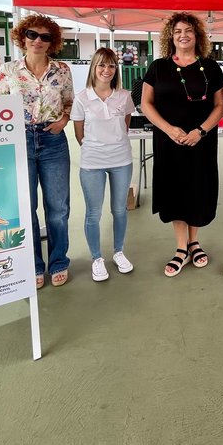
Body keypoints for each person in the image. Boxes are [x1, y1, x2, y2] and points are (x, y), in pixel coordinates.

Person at [141, 13, 223, 277]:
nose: (183, 35)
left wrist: (200, 131)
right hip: (170, 143)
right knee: (175, 192)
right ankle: (181, 249)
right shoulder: (158, 67)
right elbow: (146, 104)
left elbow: (221, 105)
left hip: (200, 141)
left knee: (197, 190)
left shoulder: (210, 67)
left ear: (197, 35)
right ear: (170, 36)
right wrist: (169, 130)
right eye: (177, 31)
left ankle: (194, 242)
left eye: (188, 30)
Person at [0, 14, 73, 289]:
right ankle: (34, 264)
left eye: (45, 36)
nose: (38, 41)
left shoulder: (62, 70)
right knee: (26, 208)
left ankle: (58, 261)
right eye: (32, 34)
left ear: (52, 42)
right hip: (20, 140)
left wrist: (63, 121)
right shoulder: (8, 71)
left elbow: (68, 103)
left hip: (53, 140)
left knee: (58, 208)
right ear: (22, 37)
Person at [71, 47, 136, 281]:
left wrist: (112, 144)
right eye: (101, 65)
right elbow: (79, 134)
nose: (106, 70)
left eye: (111, 66)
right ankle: (96, 258)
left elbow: (125, 125)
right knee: (93, 213)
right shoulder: (81, 98)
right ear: (93, 68)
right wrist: (96, 147)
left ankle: (119, 251)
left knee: (119, 210)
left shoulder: (124, 96)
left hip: (121, 160)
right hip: (92, 162)